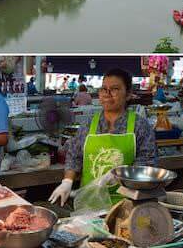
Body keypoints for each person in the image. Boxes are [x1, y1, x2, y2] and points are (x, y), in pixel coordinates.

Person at [49, 68, 158, 207]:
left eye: (114, 89)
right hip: (88, 204)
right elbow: (74, 156)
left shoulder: (140, 126)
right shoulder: (89, 124)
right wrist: (67, 182)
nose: (107, 94)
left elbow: (147, 164)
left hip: (124, 205)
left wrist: (122, 175)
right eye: (103, 89)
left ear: (129, 94)